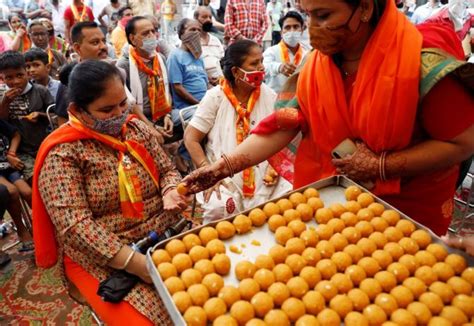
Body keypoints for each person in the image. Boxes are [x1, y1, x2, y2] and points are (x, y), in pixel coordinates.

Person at [183, 0, 474, 237]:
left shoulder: (418, 62)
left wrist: (381, 165)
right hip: (336, 207)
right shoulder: (317, 64)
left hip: (405, 218)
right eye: (309, 15)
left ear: (365, 8)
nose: (311, 29)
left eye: (323, 16)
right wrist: (223, 168)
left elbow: (462, 144)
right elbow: (285, 124)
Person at [33, 60, 190, 325]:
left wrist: (170, 190)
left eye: (122, 104)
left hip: (163, 232)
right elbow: (75, 226)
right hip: (102, 255)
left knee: (213, 288)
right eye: (106, 109)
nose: (119, 114)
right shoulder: (63, 153)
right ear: (78, 110)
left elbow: (167, 170)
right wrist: (135, 263)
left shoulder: (136, 129)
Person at [184, 40, 292, 222]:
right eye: (254, 64)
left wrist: (274, 168)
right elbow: (191, 138)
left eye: (261, 61)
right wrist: (209, 172)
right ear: (235, 71)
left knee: (291, 196)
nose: (262, 68)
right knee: (221, 208)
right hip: (223, 177)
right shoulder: (216, 96)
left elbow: (281, 135)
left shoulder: (268, 94)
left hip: (265, 173)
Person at [117, 16, 174, 140]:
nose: (151, 36)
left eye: (153, 31)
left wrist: (167, 116)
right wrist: (151, 128)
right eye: (145, 33)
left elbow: (167, 92)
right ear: (132, 39)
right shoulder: (124, 65)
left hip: (162, 115)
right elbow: (127, 103)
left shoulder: (160, 59)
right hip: (138, 120)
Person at [0, 51, 53, 182]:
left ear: (27, 73)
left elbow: (55, 115)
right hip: (20, 152)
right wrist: (5, 102)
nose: (15, 81)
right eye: (9, 78)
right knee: (36, 179)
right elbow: (2, 123)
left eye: (20, 75)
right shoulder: (2, 95)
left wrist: (40, 115)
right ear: (2, 78)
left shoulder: (41, 91)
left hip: (44, 145)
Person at [167, 18, 208, 127]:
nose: (197, 33)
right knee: (208, 118)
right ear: (181, 34)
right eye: (192, 30)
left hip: (203, 104)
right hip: (186, 108)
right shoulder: (175, 56)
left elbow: (206, 83)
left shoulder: (198, 57)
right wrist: (199, 104)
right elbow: (178, 88)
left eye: (199, 30)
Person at [0, 119, 34, 252]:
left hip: (9, 166)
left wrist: (11, 153)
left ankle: (40, 226)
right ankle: (22, 230)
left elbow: (15, 134)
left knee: (27, 192)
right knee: (12, 191)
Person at [263, 11, 309, 93]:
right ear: (281, 32)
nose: (292, 31)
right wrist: (279, 67)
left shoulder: (307, 53)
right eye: (287, 27)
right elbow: (263, 68)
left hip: (299, 99)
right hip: (276, 100)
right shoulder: (271, 51)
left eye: (296, 27)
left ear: (302, 30)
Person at [194, 6, 225, 85]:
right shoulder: (191, 41)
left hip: (221, 81)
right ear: (195, 19)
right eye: (204, 17)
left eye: (210, 17)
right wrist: (207, 78)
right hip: (202, 82)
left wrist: (222, 77)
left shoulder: (216, 40)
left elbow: (223, 62)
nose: (208, 20)